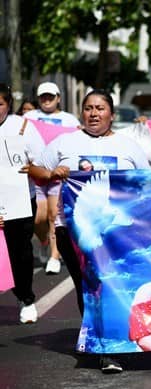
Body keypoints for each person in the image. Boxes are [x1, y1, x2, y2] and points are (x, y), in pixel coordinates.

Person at [29, 89, 150, 373]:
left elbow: (147, 182)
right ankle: (100, 342)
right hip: (71, 231)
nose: (94, 113)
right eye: (88, 108)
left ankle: (110, 348)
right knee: (89, 288)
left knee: (110, 284)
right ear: (81, 112)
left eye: (100, 108)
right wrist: (52, 173)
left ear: (112, 114)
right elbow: (35, 170)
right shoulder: (64, 142)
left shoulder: (128, 146)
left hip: (117, 235)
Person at [0, 83, 46, 324]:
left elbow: (41, 161)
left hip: (19, 201)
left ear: (8, 105)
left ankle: (26, 298)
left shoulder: (23, 127)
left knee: (19, 251)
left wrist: (32, 168)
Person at [25, 81, 80, 275]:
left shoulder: (70, 120)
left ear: (58, 98)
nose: (47, 100)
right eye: (43, 97)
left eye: (50, 96)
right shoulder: (29, 117)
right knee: (39, 218)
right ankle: (43, 241)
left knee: (54, 215)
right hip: (36, 173)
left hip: (59, 174)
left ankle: (54, 256)